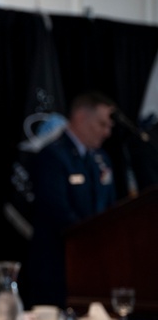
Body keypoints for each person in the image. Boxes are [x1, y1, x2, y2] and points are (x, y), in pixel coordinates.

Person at [25, 91, 116, 308]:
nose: (107, 132)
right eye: (101, 124)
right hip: (60, 267)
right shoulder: (53, 156)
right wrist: (93, 238)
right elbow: (57, 212)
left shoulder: (101, 158)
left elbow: (112, 208)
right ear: (81, 118)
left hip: (97, 265)